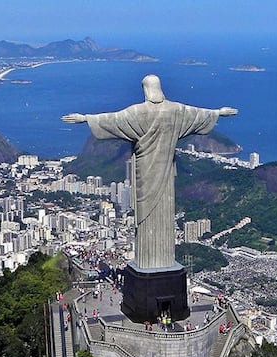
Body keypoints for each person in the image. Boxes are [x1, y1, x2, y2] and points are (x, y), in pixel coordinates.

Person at [62, 75, 237, 269]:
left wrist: (85, 118)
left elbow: (113, 120)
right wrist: (219, 112)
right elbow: (197, 114)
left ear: (145, 90)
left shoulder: (137, 112)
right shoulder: (176, 110)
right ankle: (162, 261)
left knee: (146, 215)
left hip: (144, 173)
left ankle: (148, 262)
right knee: (164, 212)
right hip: (166, 172)